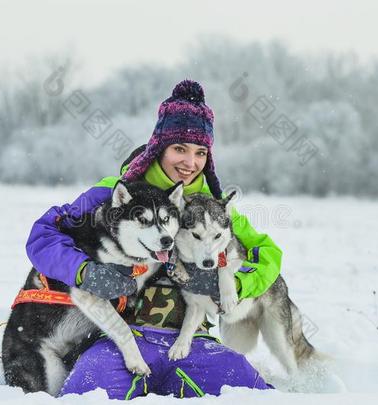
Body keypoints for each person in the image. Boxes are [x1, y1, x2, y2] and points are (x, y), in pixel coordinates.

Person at [26, 79, 283, 399]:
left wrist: (238, 285)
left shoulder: (210, 205)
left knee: (256, 394)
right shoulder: (114, 193)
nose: (190, 163)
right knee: (83, 394)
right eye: (180, 149)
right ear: (159, 147)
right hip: (121, 340)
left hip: (193, 343)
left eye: (200, 152)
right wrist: (84, 271)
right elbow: (44, 233)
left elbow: (267, 252)